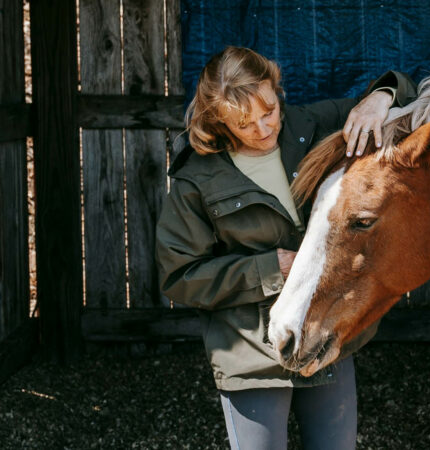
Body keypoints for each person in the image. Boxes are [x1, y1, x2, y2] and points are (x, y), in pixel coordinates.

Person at [155, 46, 416, 450]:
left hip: (324, 336)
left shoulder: (315, 125)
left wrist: (380, 99)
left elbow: (410, 94)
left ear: (277, 89)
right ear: (218, 119)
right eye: (243, 123)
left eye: (269, 111)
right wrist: (269, 269)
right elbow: (179, 276)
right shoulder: (197, 178)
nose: (262, 128)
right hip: (251, 354)